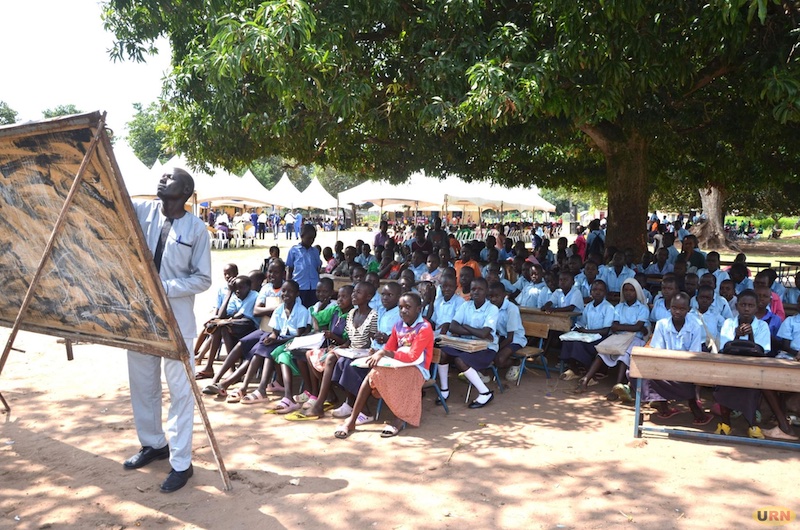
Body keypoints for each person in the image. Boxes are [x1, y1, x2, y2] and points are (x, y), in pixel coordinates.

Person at [125, 168, 211, 493]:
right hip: (142, 318)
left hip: (176, 321)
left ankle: (181, 464)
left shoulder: (197, 228)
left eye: (169, 177)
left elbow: (202, 278)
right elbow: (112, 201)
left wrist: (165, 287)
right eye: (162, 176)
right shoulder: (142, 209)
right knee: (143, 383)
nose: (162, 179)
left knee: (180, 391)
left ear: (185, 189)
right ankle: (153, 444)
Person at [334, 292, 434, 439]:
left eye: (408, 307)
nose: (403, 311)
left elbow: (413, 356)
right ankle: (352, 420)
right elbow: (389, 347)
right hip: (398, 364)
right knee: (373, 374)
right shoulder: (398, 326)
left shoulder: (424, 328)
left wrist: (385, 353)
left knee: (399, 376)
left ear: (418, 309)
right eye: (400, 307)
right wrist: (379, 352)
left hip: (418, 368)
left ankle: (398, 420)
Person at [642, 293, 713, 425]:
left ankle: (694, 407)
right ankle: (663, 405)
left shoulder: (695, 325)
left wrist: (680, 364)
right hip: (665, 363)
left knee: (690, 379)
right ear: (670, 308)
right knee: (647, 373)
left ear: (688, 309)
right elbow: (658, 350)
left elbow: (694, 353)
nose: (678, 312)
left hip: (687, 365)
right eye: (674, 308)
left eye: (682, 309)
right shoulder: (662, 324)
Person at [437, 278, 499, 409]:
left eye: (480, 289)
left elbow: (484, 335)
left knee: (460, 360)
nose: (476, 292)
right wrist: (477, 331)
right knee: (442, 353)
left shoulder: (492, 309)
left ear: (487, 291)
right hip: (466, 344)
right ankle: (444, 390)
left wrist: (466, 327)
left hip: (486, 347)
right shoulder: (466, 305)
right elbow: (453, 327)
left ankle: (485, 392)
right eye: (473, 289)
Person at [286, 223, 322, 308]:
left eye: (313, 238)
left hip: (314, 286)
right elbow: (289, 269)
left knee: (313, 309)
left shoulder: (315, 251)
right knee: (300, 308)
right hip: (300, 286)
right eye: (309, 238)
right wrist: (288, 285)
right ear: (302, 236)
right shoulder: (294, 251)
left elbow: (317, 268)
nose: (311, 240)